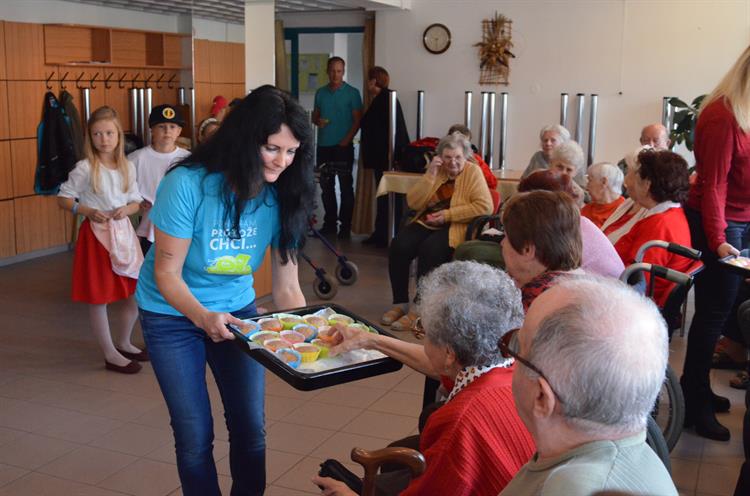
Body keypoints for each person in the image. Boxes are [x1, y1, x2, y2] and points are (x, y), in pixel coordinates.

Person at [135, 86, 314, 495]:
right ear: (245, 138)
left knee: (251, 427)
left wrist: (307, 334)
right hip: (171, 315)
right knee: (194, 432)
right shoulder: (187, 184)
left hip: (238, 311)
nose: (282, 162)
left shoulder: (283, 193)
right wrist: (202, 318)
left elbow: (287, 288)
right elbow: (166, 273)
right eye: (272, 148)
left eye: (291, 152)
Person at [313, 261, 535, 496]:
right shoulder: (517, 370)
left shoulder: (459, 421)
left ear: (450, 354)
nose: (422, 340)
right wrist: (369, 339)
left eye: (423, 332)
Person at [500, 277, 678, 495]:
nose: (511, 353)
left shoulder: (570, 488)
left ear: (542, 397)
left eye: (518, 346)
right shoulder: (632, 453)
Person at [681, 45, 750, 442]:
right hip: (719, 224)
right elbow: (714, 186)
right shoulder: (723, 116)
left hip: (742, 221)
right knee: (713, 314)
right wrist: (720, 240)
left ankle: (699, 388)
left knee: (724, 313)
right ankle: (694, 401)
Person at [57, 106, 145, 374]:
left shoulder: (127, 166)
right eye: (97, 134)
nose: (104, 139)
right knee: (100, 297)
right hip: (96, 238)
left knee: (136, 293)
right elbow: (63, 198)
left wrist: (127, 210)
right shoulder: (85, 168)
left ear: (118, 135)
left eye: (109, 133)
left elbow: (136, 201)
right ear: (90, 137)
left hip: (124, 235)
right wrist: (87, 211)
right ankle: (109, 354)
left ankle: (123, 342)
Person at [381, 133, 493, 332]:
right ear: (440, 156)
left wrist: (448, 215)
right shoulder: (436, 170)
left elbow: (485, 207)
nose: (452, 162)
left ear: (465, 156)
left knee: (430, 250)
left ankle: (419, 309)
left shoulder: (473, 172)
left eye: (457, 157)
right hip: (429, 221)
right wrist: (431, 174)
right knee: (399, 245)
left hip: (456, 225)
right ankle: (400, 304)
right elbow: (414, 202)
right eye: (448, 157)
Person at [613, 149, 693, 308]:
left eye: (634, 176)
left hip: (635, 304)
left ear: (647, 184)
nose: (627, 183)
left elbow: (639, 281)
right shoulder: (670, 214)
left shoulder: (659, 225)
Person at [517, 170, 624, 280]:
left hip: (601, 290)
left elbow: (539, 274)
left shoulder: (559, 227)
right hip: (602, 287)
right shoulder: (573, 221)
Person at [501, 190, 584, 311]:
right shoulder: (579, 282)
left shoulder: (533, 300)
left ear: (527, 250)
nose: (502, 243)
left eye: (506, 237)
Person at [312, 56, 364, 239]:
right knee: (326, 187)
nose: (336, 74)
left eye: (339, 71)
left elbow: (358, 120)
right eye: (333, 71)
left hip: (343, 146)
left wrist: (346, 140)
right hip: (324, 145)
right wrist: (318, 121)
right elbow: (315, 117)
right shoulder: (320, 93)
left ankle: (346, 226)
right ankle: (329, 224)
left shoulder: (353, 93)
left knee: (345, 187)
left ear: (344, 71)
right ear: (327, 71)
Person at [359, 66, 409, 248]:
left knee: (387, 197)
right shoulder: (383, 99)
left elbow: (391, 130)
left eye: (369, 80)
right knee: (383, 197)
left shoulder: (385, 99)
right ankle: (381, 232)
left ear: (374, 81)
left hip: (386, 158)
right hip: (382, 157)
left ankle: (385, 234)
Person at [130, 104, 190, 254]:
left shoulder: (188, 159)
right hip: (144, 227)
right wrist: (136, 202)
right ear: (152, 130)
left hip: (178, 225)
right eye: (161, 126)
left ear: (179, 131)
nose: (167, 131)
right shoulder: (136, 158)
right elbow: (123, 190)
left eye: (172, 126)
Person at [601, 146, 651, 243]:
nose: (625, 180)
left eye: (628, 172)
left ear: (639, 177)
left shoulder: (649, 212)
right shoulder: (629, 202)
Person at [581, 162, 625, 228]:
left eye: (590, 180)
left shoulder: (623, 212)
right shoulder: (586, 209)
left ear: (604, 182)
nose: (586, 187)